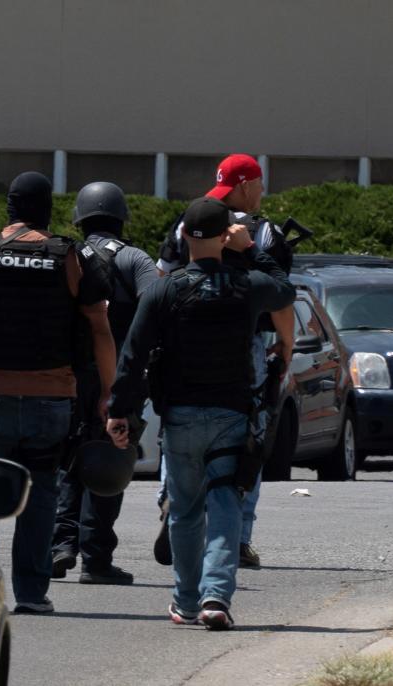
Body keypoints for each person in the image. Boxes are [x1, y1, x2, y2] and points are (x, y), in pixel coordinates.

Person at [0, 171, 116, 614]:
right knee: (41, 493)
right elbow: (99, 328)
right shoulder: (68, 256)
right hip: (50, 398)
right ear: (47, 206)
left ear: (10, 206)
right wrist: (109, 391)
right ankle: (32, 595)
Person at [107, 196, 295, 630]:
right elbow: (284, 287)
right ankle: (216, 596)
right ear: (225, 238)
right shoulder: (247, 284)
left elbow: (132, 357)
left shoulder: (162, 290)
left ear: (185, 237)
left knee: (185, 510)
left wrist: (120, 411)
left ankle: (186, 601)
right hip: (231, 412)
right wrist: (250, 249)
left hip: (180, 416)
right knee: (226, 500)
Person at [154, 154, 295, 569]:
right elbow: (282, 295)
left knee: (178, 423)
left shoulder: (187, 223)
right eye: (260, 185)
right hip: (243, 342)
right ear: (247, 185)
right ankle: (237, 536)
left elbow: (162, 281)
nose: (262, 193)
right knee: (249, 434)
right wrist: (286, 346)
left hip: (183, 339)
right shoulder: (263, 233)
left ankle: (173, 501)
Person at [50, 181, 158, 585]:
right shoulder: (134, 259)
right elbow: (156, 304)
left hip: (67, 376)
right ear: (120, 217)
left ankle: (61, 545)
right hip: (122, 376)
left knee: (67, 461)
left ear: (81, 218)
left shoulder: (66, 256)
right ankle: (96, 559)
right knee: (110, 460)